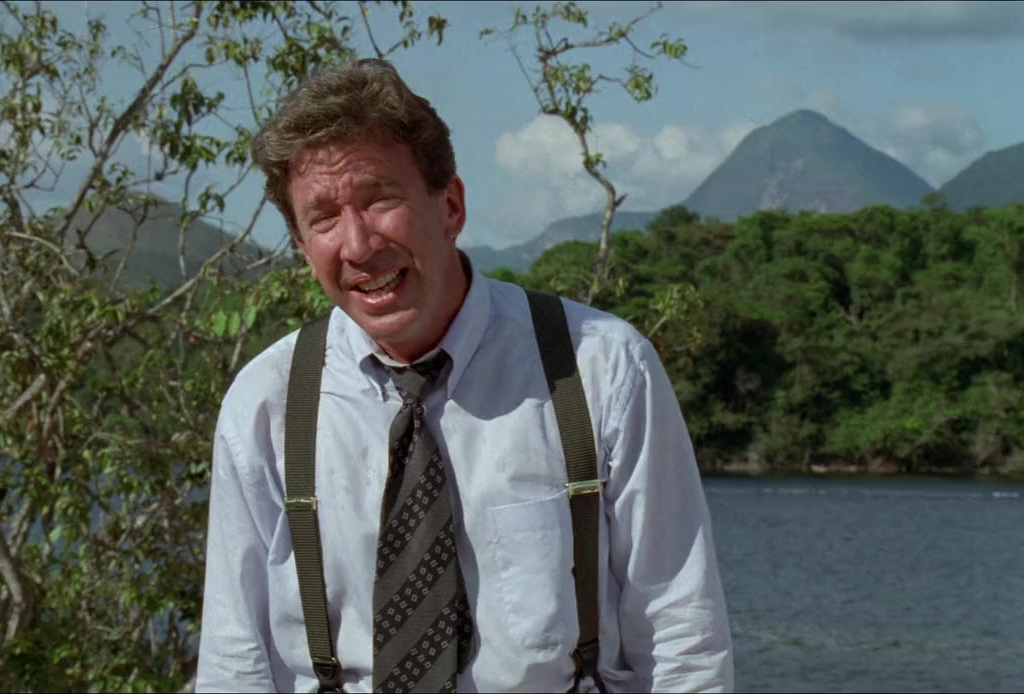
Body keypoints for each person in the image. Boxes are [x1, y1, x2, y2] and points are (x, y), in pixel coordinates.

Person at [195, 58, 734, 692]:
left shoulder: (601, 367)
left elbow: (682, 639)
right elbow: (236, 665)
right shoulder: (267, 404)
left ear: (450, 205)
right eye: (324, 219)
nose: (359, 245)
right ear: (301, 247)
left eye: (380, 200)